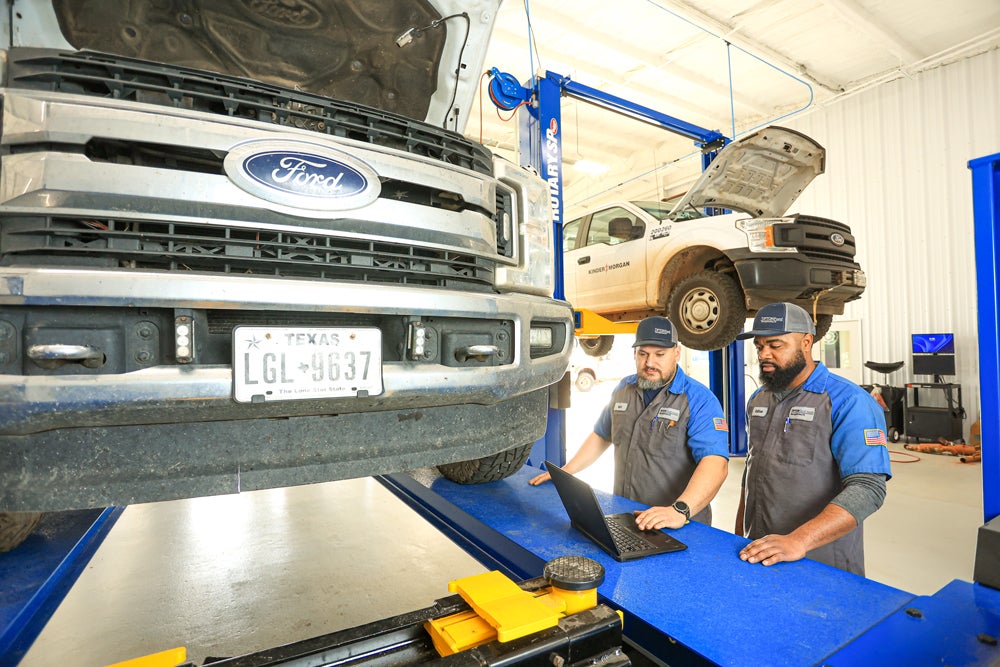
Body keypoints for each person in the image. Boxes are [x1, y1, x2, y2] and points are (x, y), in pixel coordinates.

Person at [735, 302, 892, 576]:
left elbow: (868, 489)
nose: (764, 355)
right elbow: (751, 472)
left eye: (776, 345)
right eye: (759, 347)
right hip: (759, 552)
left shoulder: (849, 402)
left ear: (806, 342)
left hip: (820, 562)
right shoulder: (758, 400)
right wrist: (739, 536)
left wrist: (799, 540)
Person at [529, 316, 730, 530]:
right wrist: (566, 471)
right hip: (627, 517)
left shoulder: (699, 400)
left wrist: (680, 510)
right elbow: (601, 435)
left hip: (678, 524)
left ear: (677, 353)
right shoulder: (624, 390)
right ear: (634, 353)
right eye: (643, 354)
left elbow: (716, 464)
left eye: (659, 355)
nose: (649, 363)